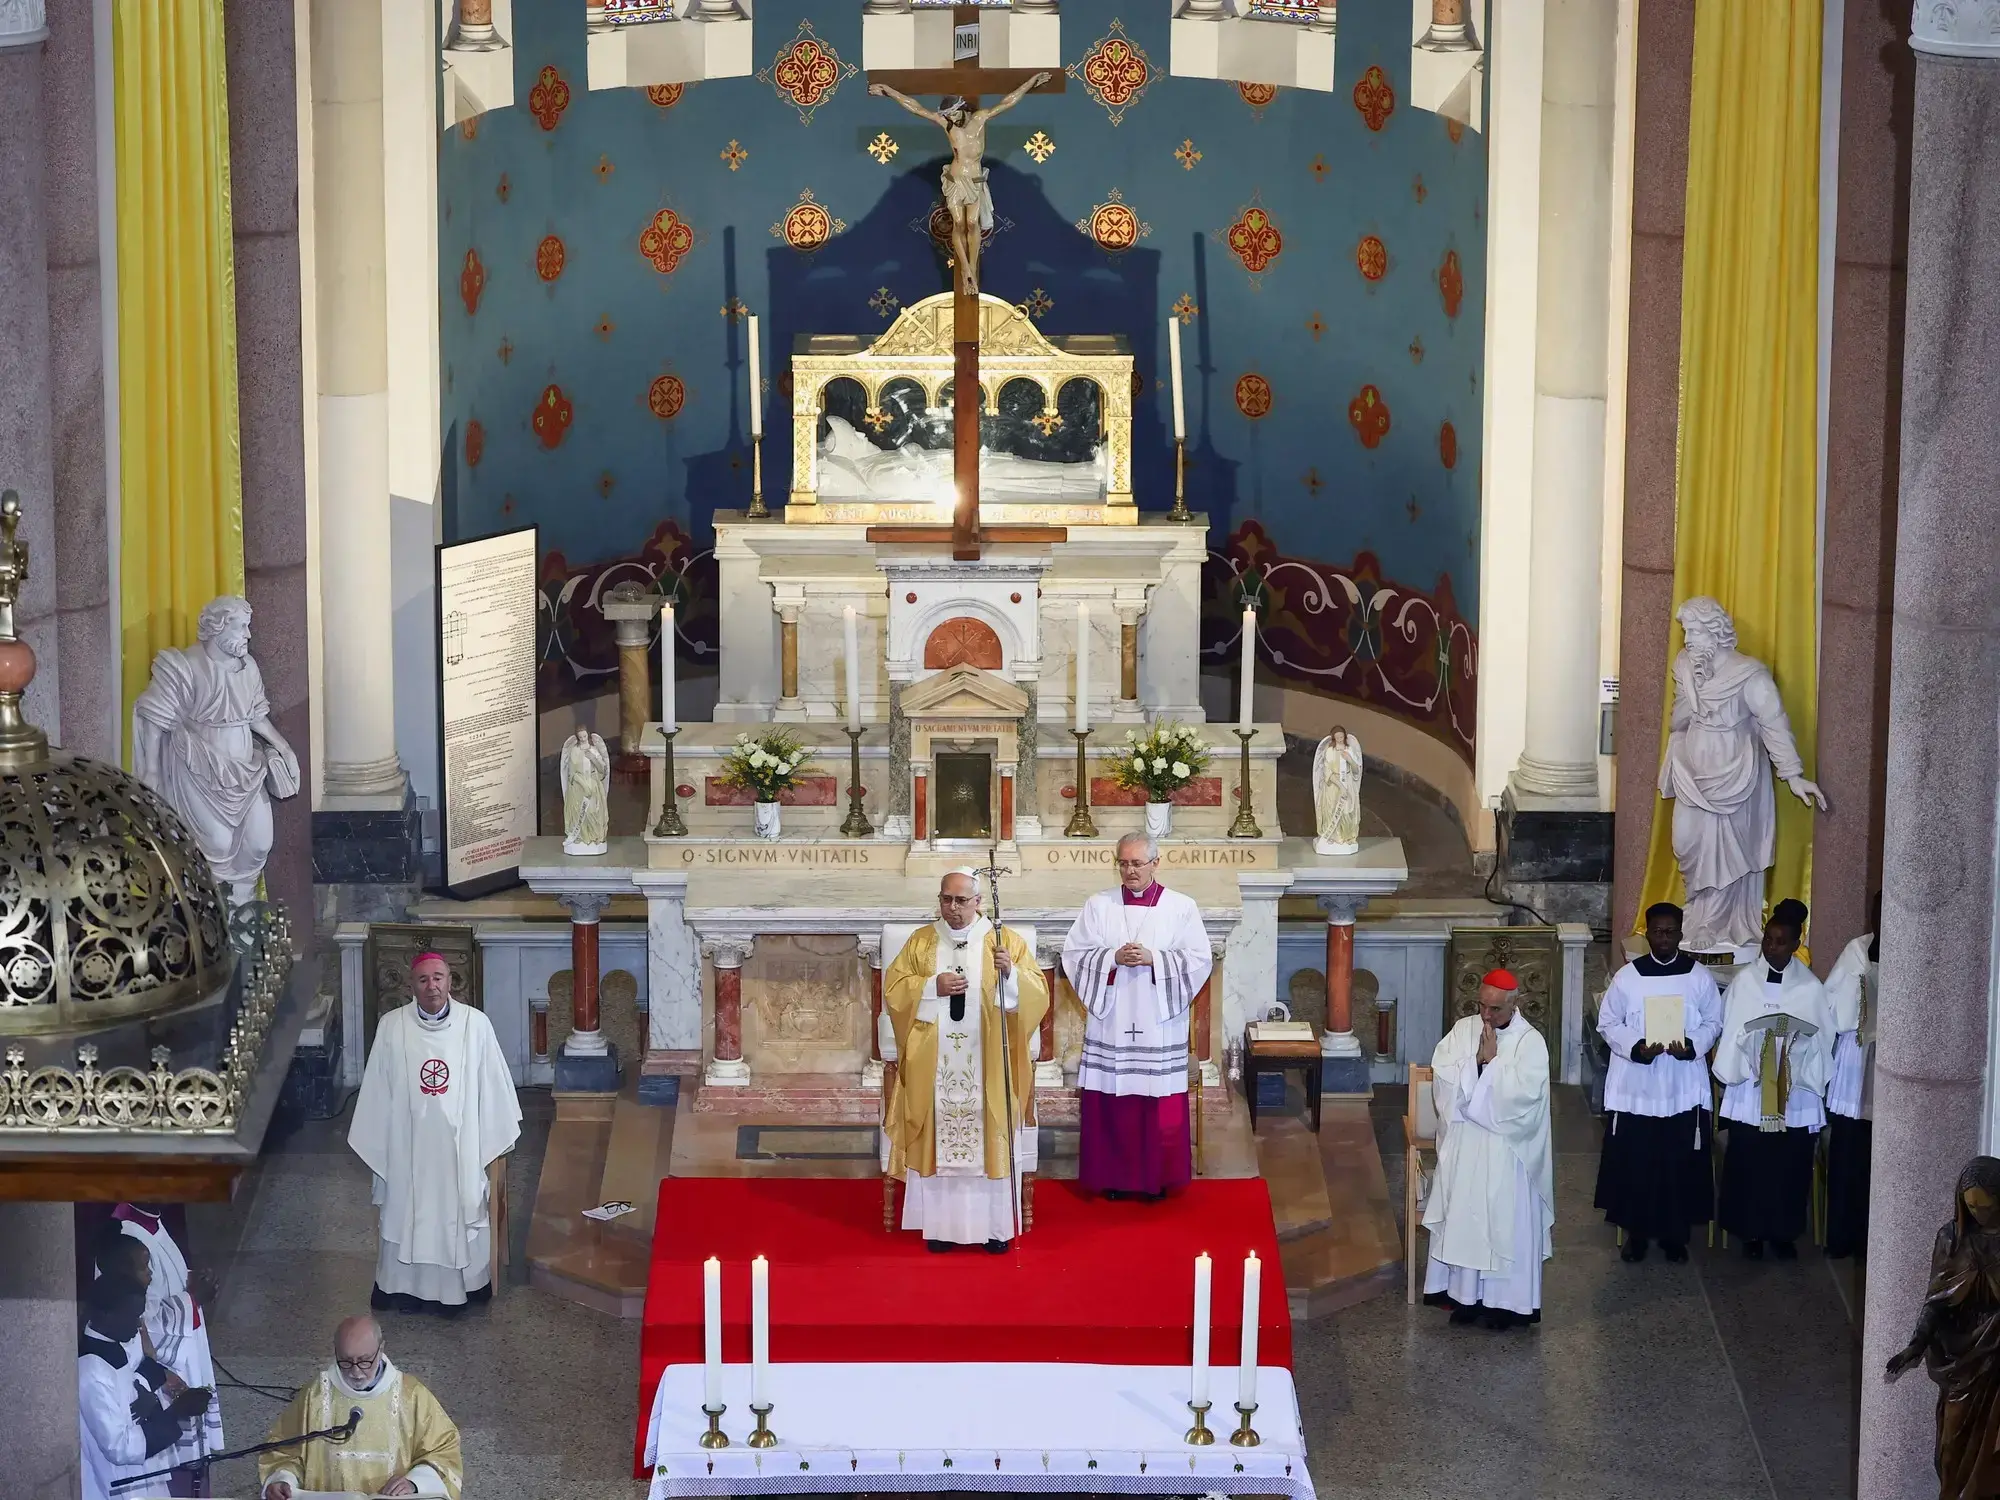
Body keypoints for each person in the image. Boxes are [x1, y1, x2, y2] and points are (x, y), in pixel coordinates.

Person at [884, 869, 1049, 1250]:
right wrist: (930, 986)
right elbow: (893, 990)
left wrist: (1010, 976)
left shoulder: (1004, 941)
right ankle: (941, 1229)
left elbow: (1037, 992)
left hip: (987, 1062)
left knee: (988, 1131)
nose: (952, 908)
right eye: (946, 899)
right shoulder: (922, 942)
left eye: (961, 900)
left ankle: (994, 1229)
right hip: (935, 1064)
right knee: (940, 1126)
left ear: (978, 902)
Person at [350, 952, 522, 1313]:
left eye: (439, 977)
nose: (433, 986)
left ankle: (466, 1286)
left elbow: (493, 1089)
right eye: (424, 980)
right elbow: (377, 1092)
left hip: (461, 1150)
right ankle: (399, 1288)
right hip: (405, 1146)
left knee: (460, 1203)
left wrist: (487, 1136)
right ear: (411, 986)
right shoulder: (391, 1026)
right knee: (404, 1203)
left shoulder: (475, 1025)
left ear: (450, 981)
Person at [1656, 596, 1827, 951]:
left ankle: (1717, 924)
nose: (1687, 639)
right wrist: (1694, 694)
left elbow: (1774, 724)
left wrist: (1793, 774)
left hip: (1736, 775)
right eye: (1685, 631)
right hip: (1692, 774)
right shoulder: (1686, 666)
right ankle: (1698, 913)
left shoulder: (1749, 674)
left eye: (1694, 631)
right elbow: (1677, 720)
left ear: (1715, 631)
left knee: (1726, 852)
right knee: (1687, 842)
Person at [1060, 833, 1213, 1201]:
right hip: (1113, 1020)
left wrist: (1154, 959)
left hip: (1157, 1022)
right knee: (1114, 1099)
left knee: (1154, 1101)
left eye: (1137, 863)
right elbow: (1075, 953)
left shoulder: (1181, 907)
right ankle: (1113, 1177)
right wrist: (1112, 958)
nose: (1130, 871)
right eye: (1124, 863)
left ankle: (1156, 1179)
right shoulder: (1099, 905)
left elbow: (1199, 959)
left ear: (1155, 863)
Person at [131, 594, 300, 908]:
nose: (248, 635)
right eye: (241, 628)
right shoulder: (184, 667)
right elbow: (154, 714)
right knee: (216, 847)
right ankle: (215, 923)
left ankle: (243, 922)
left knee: (261, 843)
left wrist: (285, 748)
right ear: (218, 628)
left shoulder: (248, 667)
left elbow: (256, 716)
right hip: (200, 771)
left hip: (246, 772)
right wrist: (151, 771)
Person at [1421, 969, 1554, 1330]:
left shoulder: (1531, 1042)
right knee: (1467, 1218)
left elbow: (1525, 1098)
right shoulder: (1463, 1030)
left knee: (1503, 1224)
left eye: (1494, 1008)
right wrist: (1476, 1064)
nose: (1486, 1016)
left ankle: (1505, 1305)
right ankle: (1465, 1298)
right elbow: (1444, 1076)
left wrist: (1492, 1065)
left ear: (1515, 1003)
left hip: (1508, 1153)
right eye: (1482, 1005)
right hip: (1468, 1147)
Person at [1593, 901, 1724, 1263]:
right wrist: (1636, 1048)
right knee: (1638, 1162)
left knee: (1677, 1163)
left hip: (1681, 1084)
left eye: (1670, 932)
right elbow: (1608, 1023)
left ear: (1681, 934)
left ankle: (1675, 1235)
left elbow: (1714, 1021)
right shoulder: (1627, 978)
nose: (1663, 939)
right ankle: (1636, 1233)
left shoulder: (1698, 977)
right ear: (1647, 933)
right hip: (1638, 1085)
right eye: (1657, 932)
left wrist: (1692, 1046)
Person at [1712, 898, 1834, 1259]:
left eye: (1781, 942)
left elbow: (1823, 1040)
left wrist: (1794, 1051)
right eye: (1768, 940)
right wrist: (1754, 1050)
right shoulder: (1744, 983)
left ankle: (1783, 1232)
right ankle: (1749, 1232)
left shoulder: (1811, 989)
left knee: (1789, 1165)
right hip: (1751, 1090)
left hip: (1793, 1094)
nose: (1772, 948)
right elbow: (1730, 1032)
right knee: (1750, 1162)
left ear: (1797, 944)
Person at [867, 73, 1052, 293]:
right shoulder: (947, 125)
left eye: (953, 114)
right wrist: (888, 90)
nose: (951, 118)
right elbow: (915, 108)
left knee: (972, 223)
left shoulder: (980, 119)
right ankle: (966, 270)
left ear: (961, 108)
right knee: (958, 223)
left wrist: (1031, 83)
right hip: (955, 178)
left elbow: (1008, 101)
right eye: (948, 116)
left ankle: (972, 268)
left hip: (974, 178)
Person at [1885, 1157, 2000, 1498]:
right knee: (1950, 1447)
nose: (1978, 1214)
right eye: (1971, 1206)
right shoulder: (1952, 1237)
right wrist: (1916, 1344)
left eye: (1986, 1207)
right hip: (1962, 1355)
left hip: (1998, 1352)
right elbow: (1936, 1298)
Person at [259, 1315, 462, 1499]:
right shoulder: (315, 1395)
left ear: (381, 1349)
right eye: (346, 1361)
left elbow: (443, 1451)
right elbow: (284, 1449)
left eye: (364, 1361)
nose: (355, 1372)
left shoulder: (412, 1395)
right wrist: (282, 1480)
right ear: (335, 1351)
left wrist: (415, 1482)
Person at [80, 1274, 213, 1500]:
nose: (138, 1324)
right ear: (104, 1315)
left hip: (143, 1478)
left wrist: (150, 1391)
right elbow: (119, 1447)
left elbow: (132, 1380)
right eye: (132, 1316)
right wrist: (178, 1411)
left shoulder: (113, 1345)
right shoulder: (90, 1370)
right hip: (115, 1486)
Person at [1823, 893, 1880, 1259]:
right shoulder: (1856, 952)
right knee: (1849, 1154)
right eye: (1878, 912)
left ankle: (1875, 1241)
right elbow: (1833, 1005)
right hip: (1856, 1062)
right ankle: (1843, 1238)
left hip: (1891, 1067)